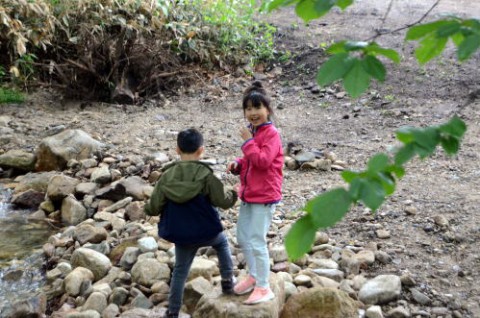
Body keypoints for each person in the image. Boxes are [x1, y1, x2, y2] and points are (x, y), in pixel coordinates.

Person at [144, 128, 238, 318]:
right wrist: (234, 192)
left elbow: (153, 208)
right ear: (201, 150)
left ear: (177, 150)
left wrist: (147, 208)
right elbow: (224, 202)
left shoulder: (166, 177)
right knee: (222, 243)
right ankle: (227, 280)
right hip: (206, 231)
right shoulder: (207, 175)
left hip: (181, 234)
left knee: (180, 271)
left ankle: (172, 312)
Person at [227, 81, 284, 305]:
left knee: (257, 240)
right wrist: (238, 164)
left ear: (267, 110)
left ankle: (264, 287)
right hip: (250, 194)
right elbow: (251, 161)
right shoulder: (255, 132)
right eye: (248, 108)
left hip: (265, 196)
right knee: (242, 237)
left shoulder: (272, 134)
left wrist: (247, 143)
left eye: (257, 107)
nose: (252, 113)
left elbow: (262, 161)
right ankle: (254, 275)